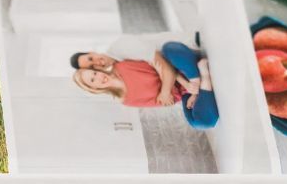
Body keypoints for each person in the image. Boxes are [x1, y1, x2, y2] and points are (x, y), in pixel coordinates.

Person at [70, 44, 219, 128]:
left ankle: (203, 82)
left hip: (183, 71)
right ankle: (204, 78)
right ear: (94, 89)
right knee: (199, 123)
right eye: (92, 80)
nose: (98, 77)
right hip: (186, 93)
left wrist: (173, 86)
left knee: (171, 50)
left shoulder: (122, 66)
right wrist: (190, 93)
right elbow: (168, 100)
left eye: (94, 73)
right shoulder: (127, 100)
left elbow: (165, 65)